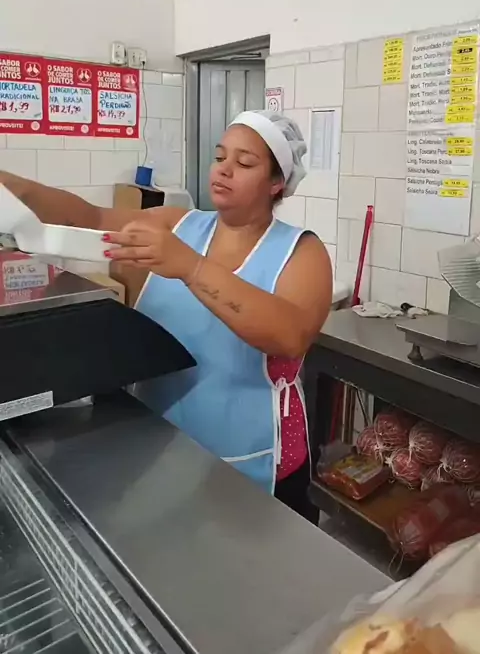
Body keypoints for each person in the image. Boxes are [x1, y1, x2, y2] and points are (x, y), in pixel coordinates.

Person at [0, 110, 332, 518]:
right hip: (158, 451)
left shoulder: (301, 252)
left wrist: (190, 267)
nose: (224, 169)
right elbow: (91, 219)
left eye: (244, 163)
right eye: (220, 157)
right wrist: (16, 189)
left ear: (277, 182)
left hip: (252, 465)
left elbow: (289, 336)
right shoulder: (176, 226)